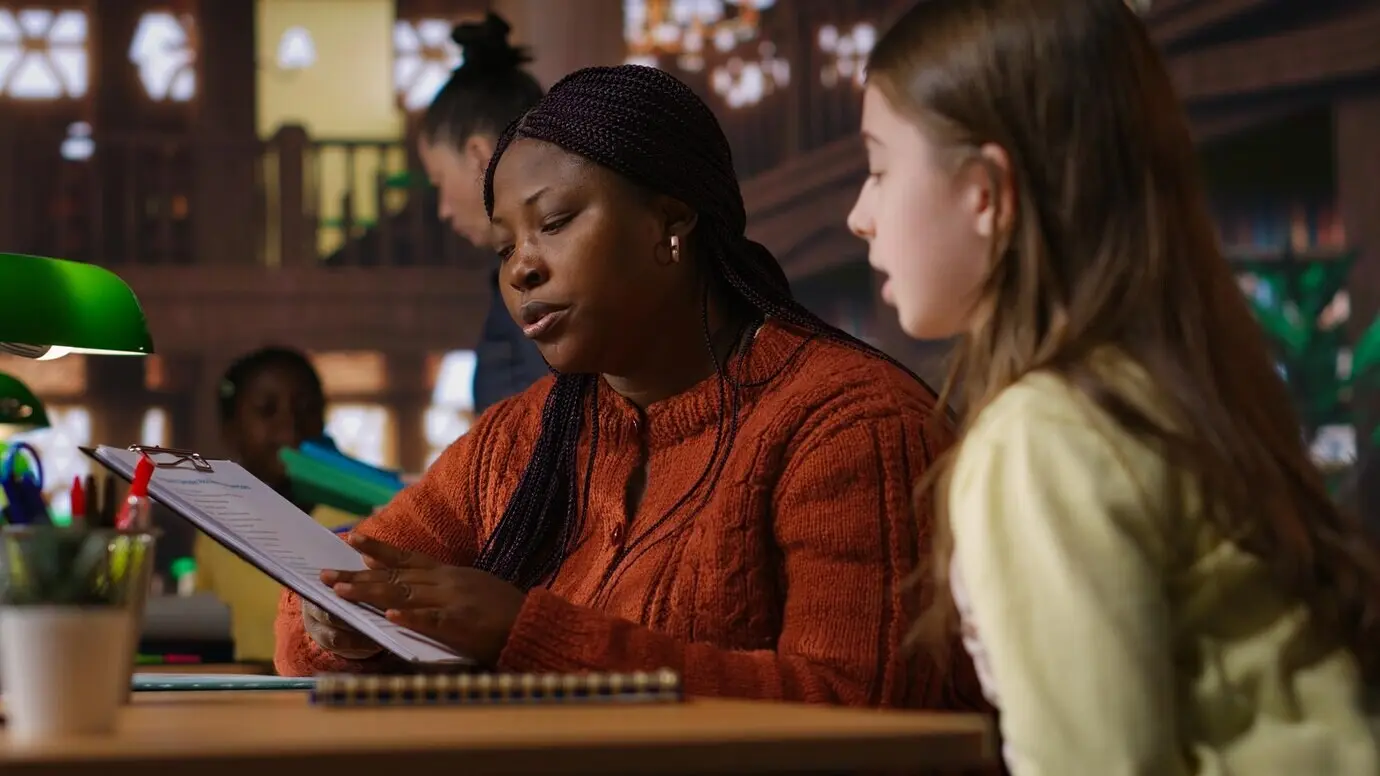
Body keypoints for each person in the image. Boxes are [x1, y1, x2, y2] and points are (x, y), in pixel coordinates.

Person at [274, 64, 987, 711]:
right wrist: (342, 623)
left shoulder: (849, 424)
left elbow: (862, 711)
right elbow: (302, 623)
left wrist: (525, 637)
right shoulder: (519, 440)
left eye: (553, 223)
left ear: (671, 224)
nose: (522, 269)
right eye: (504, 247)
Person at [847, 0, 1380, 772]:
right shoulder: (1154, 389)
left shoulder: (1041, 439)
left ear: (985, 192)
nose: (860, 215)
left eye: (879, 168)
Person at [418, 13, 549, 415]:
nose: (442, 209)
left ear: (477, 157)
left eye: (440, 180)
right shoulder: (522, 265)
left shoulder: (551, 266)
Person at [196, 347, 357, 663]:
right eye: (267, 410)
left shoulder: (363, 516)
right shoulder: (216, 525)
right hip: (249, 700)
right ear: (231, 429)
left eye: (307, 408)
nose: (290, 427)